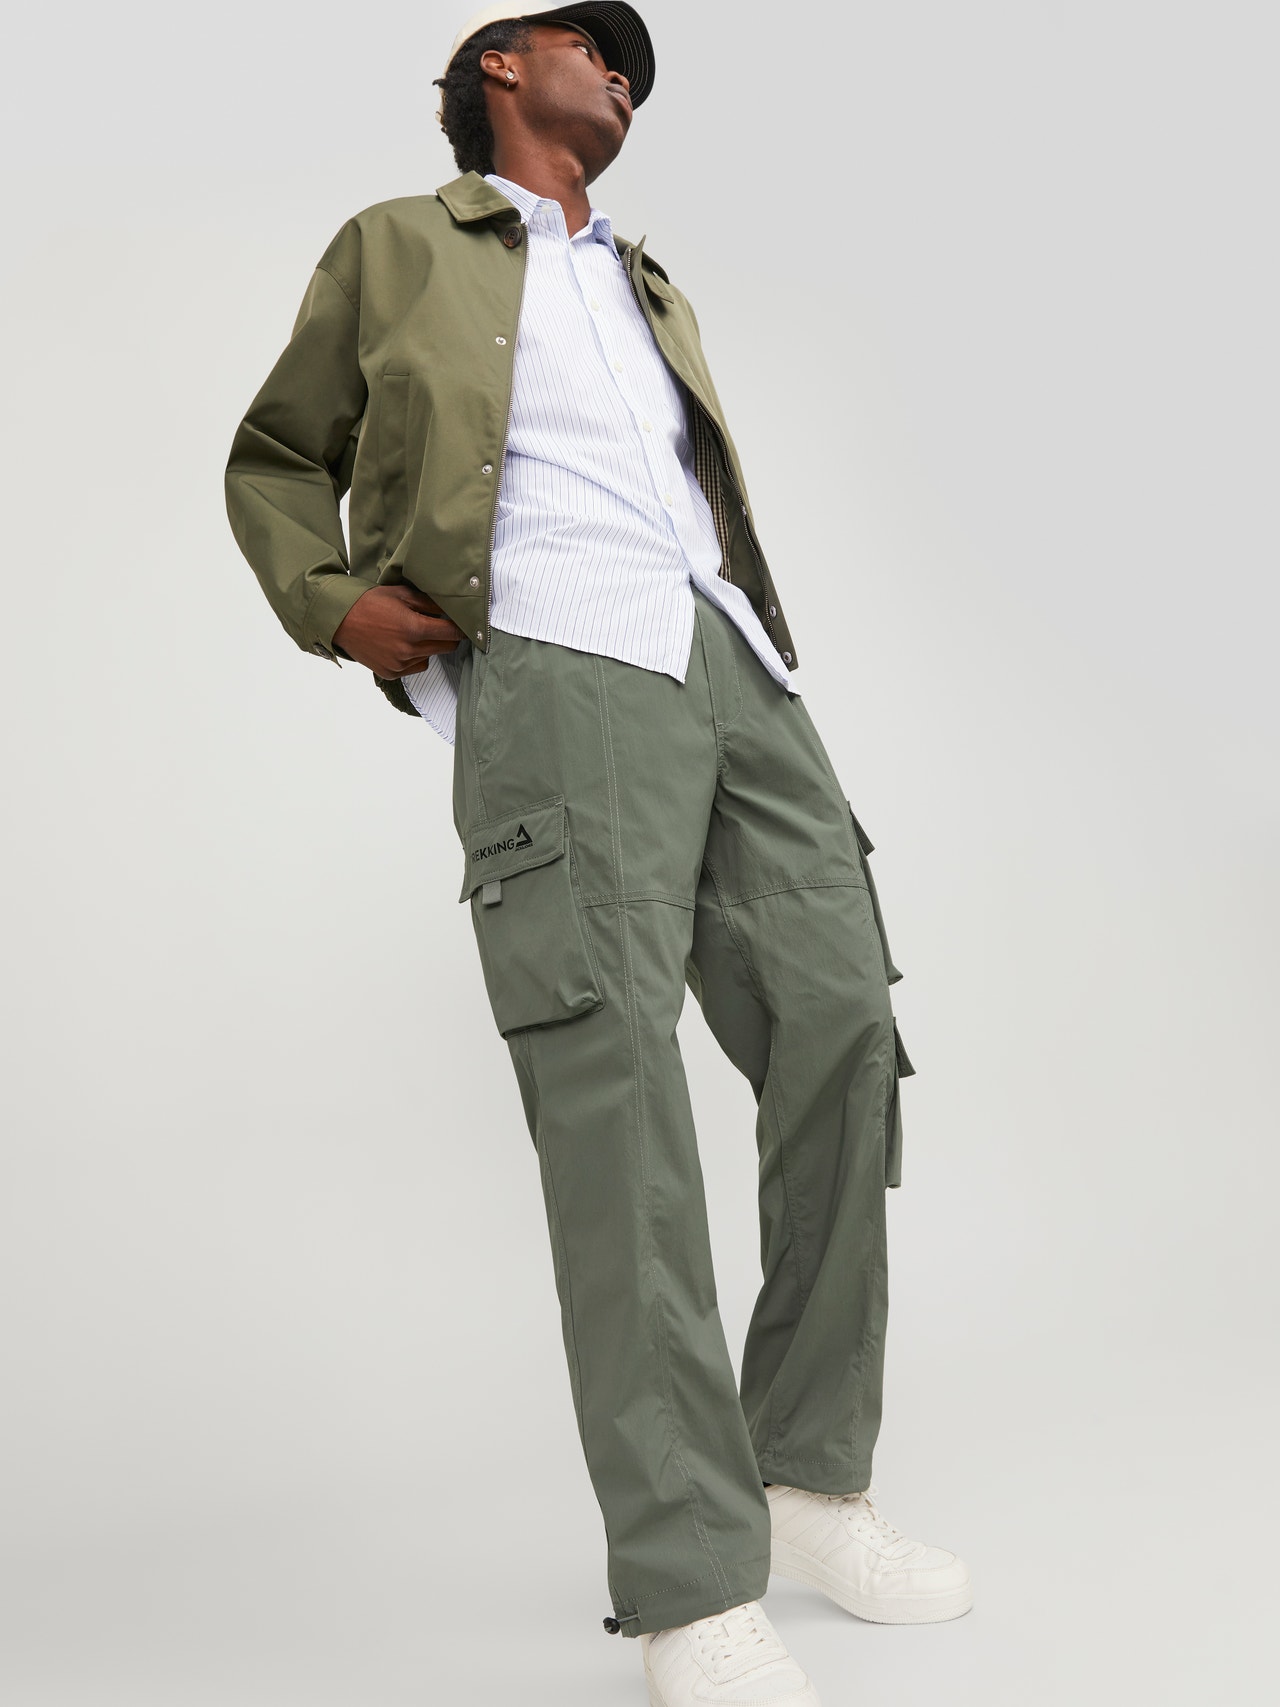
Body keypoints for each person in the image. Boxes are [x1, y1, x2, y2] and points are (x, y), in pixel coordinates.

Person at [223, 6, 972, 1701]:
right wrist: (335, 605)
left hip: (733, 664)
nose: (624, 72)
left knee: (844, 1025)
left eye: (637, 65)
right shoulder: (398, 244)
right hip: (558, 669)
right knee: (617, 1092)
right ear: (502, 64)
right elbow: (275, 455)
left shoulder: (647, 279)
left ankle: (807, 1478)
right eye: (594, 44)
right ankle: (691, 1573)